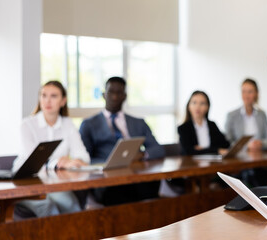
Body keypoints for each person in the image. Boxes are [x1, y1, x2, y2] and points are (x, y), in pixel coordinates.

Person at [79, 76, 164, 206]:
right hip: (108, 182)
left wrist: (141, 155)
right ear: (103, 94)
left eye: (119, 93)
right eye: (111, 92)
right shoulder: (89, 124)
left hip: (135, 176)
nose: (114, 97)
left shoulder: (138, 123)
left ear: (124, 96)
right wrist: (107, 163)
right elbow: (84, 159)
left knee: (154, 183)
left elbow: (158, 149)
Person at [14, 81, 89, 218]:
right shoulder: (27, 125)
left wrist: (75, 161)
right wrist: (58, 163)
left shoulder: (68, 124)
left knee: (71, 205)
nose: (47, 100)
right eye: (43, 95)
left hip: (55, 184)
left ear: (63, 101)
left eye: (54, 96)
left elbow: (83, 156)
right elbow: (34, 163)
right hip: (26, 184)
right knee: (47, 207)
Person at [225, 79, 267, 186]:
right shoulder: (232, 115)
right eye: (244, 91)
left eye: (250, 91)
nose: (246, 95)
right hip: (241, 161)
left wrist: (261, 143)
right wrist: (246, 146)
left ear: (256, 94)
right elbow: (227, 142)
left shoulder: (262, 114)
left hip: (260, 159)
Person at [178, 90, 230, 155]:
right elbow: (188, 151)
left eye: (202, 103)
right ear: (188, 106)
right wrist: (215, 150)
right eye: (194, 103)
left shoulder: (212, 125)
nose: (197, 107)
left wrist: (202, 150)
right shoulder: (183, 128)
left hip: (214, 163)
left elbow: (225, 145)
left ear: (207, 107)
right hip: (193, 164)